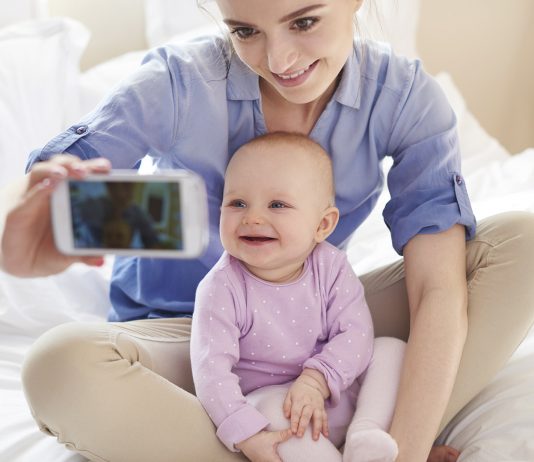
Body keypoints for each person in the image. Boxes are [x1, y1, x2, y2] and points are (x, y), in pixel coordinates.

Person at [0, 0, 533, 461]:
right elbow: (60, 180)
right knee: (59, 366)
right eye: (245, 31)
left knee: (520, 246)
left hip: (316, 330)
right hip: (184, 346)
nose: (278, 61)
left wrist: (408, 449)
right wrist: (31, 222)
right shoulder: (179, 83)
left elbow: (436, 288)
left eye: (303, 22)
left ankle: (373, 447)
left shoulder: (405, 100)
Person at [191, 132, 405, 462]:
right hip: (283, 414)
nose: (253, 217)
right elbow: (211, 373)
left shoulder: (331, 266)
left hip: (337, 391)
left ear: (322, 225)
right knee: (271, 406)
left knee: (391, 349)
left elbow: (356, 333)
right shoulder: (221, 288)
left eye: (277, 204)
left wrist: (317, 381)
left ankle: (365, 434)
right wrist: (247, 436)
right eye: (237, 203)